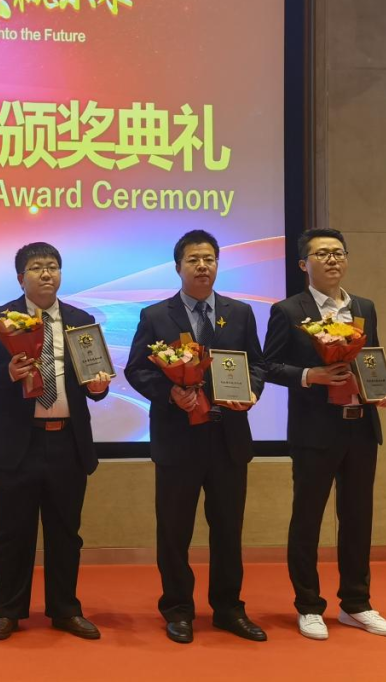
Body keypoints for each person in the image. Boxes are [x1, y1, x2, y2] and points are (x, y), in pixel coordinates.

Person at [125, 229, 267, 644]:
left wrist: (251, 391)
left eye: (209, 259)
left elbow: (256, 364)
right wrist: (169, 392)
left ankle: (228, 608)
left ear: (218, 264)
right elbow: (137, 369)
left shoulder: (240, 313)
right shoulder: (156, 315)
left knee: (228, 530)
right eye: (193, 259)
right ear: (178, 267)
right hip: (178, 439)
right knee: (174, 531)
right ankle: (178, 609)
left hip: (228, 437)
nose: (202, 266)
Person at [0, 242, 111, 641]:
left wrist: (98, 387)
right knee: (11, 533)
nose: (46, 274)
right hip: (16, 443)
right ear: (20, 278)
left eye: (53, 267)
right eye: (37, 268)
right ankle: (8, 611)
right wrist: (6, 372)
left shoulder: (80, 320)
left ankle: (65, 609)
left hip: (67, 442)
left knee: (66, 533)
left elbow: (94, 380)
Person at [262, 227, 386, 640]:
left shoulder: (364, 307)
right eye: (322, 253)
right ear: (304, 264)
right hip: (314, 431)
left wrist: (379, 389)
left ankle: (356, 603)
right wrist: (311, 375)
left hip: (360, 426)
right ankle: (308, 605)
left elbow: (370, 358)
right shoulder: (289, 310)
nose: (333, 259)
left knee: (357, 517)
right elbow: (267, 366)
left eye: (338, 252)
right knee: (308, 517)